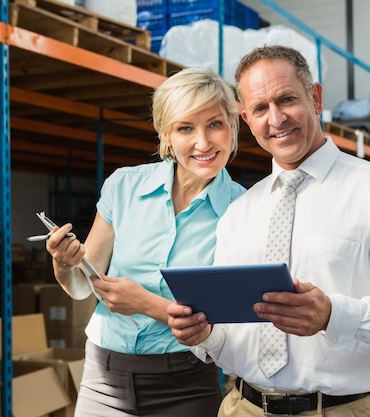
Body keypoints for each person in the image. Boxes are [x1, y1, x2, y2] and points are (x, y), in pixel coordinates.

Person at [166, 45, 370, 417]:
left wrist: (333, 315)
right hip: (241, 407)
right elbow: (233, 341)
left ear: (315, 97)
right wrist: (205, 336)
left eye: (287, 99)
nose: (277, 118)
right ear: (247, 119)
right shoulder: (239, 212)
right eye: (261, 109)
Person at [45, 67, 247, 417]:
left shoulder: (244, 210)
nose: (203, 143)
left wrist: (145, 303)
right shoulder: (123, 186)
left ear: (232, 125)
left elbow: (228, 327)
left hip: (187, 383)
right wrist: (64, 264)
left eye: (214, 124)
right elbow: (81, 286)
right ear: (166, 135)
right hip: (104, 378)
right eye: (186, 128)